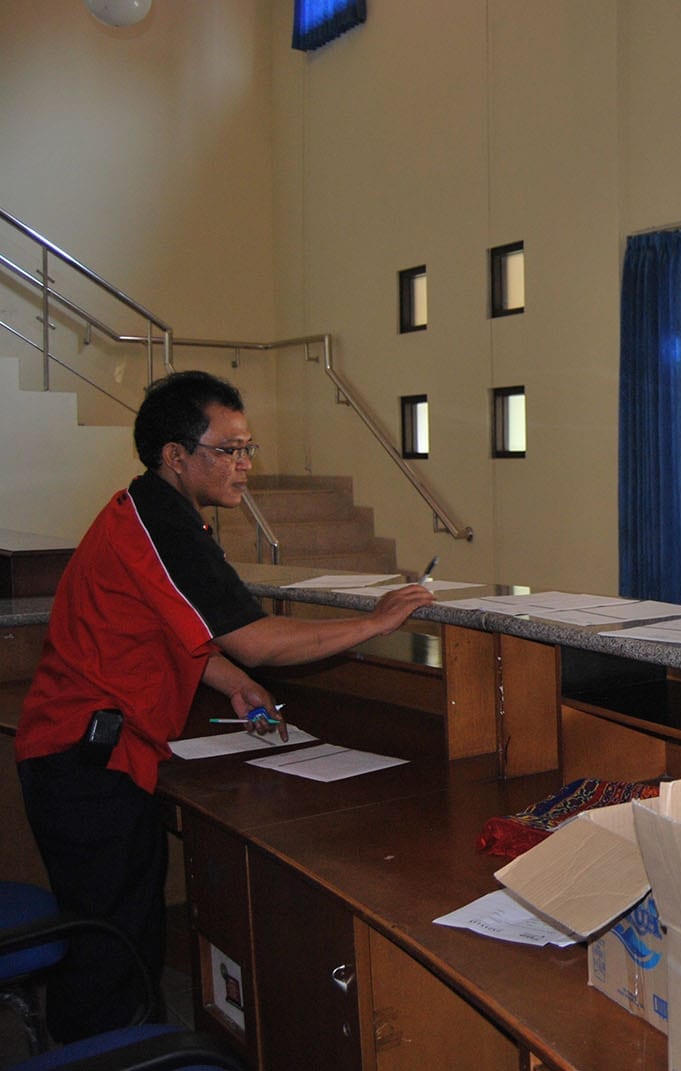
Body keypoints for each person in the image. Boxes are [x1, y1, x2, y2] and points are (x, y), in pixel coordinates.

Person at [14, 370, 436, 1044]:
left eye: (248, 448)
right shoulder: (161, 525)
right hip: (85, 761)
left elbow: (177, 628)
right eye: (229, 449)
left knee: (121, 931)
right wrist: (374, 622)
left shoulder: (155, 513)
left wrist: (232, 680)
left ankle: (117, 1041)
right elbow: (257, 638)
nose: (245, 464)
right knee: (110, 949)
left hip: (89, 753)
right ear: (176, 455)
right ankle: (109, 1052)